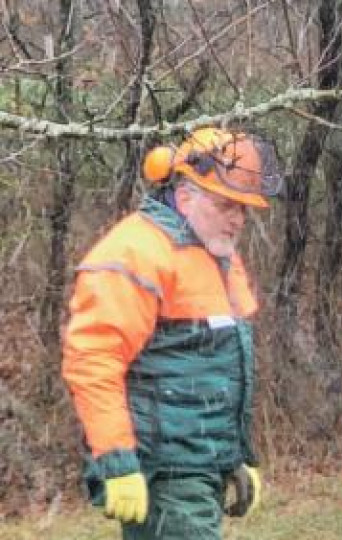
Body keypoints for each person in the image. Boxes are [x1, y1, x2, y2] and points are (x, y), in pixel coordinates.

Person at [62, 127, 281, 539]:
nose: (237, 219)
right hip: (164, 471)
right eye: (226, 206)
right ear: (184, 197)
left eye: (243, 209)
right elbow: (93, 362)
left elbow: (220, 370)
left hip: (199, 467)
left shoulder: (216, 255)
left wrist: (237, 456)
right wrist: (117, 460)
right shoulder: (135, 253)